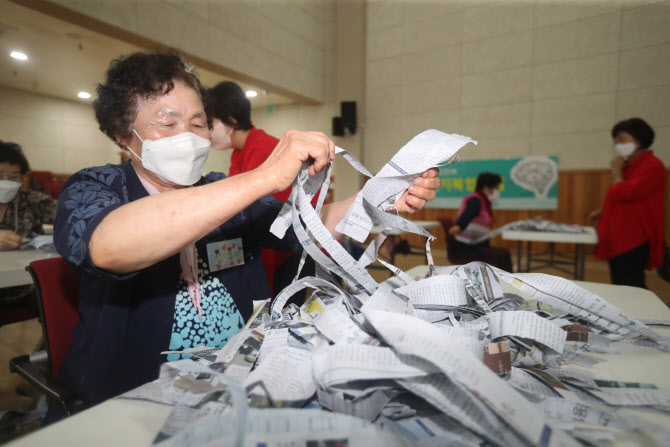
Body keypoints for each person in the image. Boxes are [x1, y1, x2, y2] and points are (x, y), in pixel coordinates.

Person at [51, 49, 440, 418]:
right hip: (136, 398)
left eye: (199, 123)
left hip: (245, 380)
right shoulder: (95, 187)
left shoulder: (222, 190)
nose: (187, 136)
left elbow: (305, 225)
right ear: (123, 133)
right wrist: (265, 177)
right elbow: (108, 246)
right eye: (168, 123)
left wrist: (380, 199)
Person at [205, 81, 318, 297]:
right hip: (269, 251)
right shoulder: (239, 153)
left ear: (231, 120)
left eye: (210, 123)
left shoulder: (264, 150)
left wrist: (254, 288)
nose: (208, 132)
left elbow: (267, 225)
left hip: (286, 255)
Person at [588, 118, 666, 288]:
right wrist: (603, 211)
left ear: (639, 139)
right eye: (616, 141)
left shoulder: (652, 165)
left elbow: (626, 192)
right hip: (618, 234)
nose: (618, 145)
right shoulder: (628, 166)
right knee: (619, 281)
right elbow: (627, 199)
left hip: (633, 237)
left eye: (622, 139)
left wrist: (616, 172)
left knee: (630, 282)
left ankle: (639, 315)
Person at [447, 173, 513, 271]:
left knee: (503, 254)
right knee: (503, 255)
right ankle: (507, 282)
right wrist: (459, 226)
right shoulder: (475, 199)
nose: (497, 192)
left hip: (477, 245)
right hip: (466, 248)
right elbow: (468, 214)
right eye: (496, 188)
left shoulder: (483, 201)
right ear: (486, 188)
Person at [0, 141, 57, 249]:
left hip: (26, 263)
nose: (6, 182)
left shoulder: (32, 200)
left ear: (22, 178)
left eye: (13, 177)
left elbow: (69, 213)